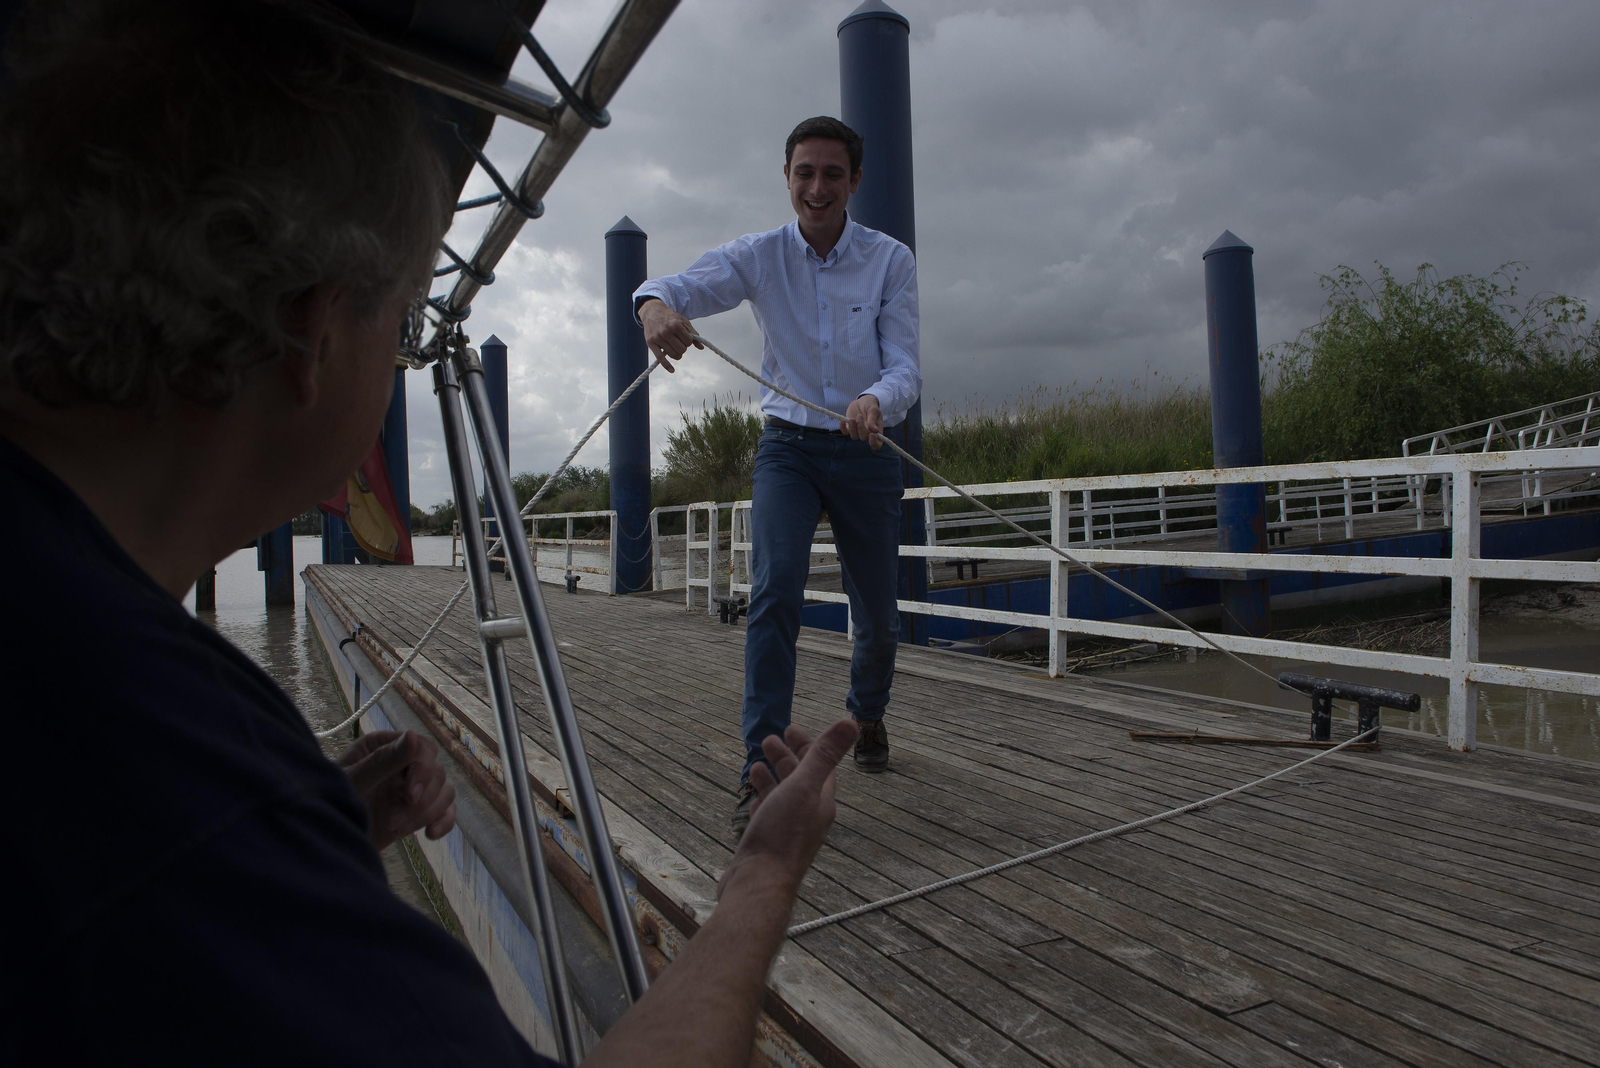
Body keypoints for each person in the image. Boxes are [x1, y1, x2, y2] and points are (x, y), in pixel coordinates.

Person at [0, 3, 854, 1065]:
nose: (406, 354)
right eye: (403, 322)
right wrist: (760, 884)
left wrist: (310, 825)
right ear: (313, 338)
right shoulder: (156, 765)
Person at [634, 116, 921, 835]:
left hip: (866, 450)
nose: (816, 188)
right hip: (787, 449)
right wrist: (654, 309)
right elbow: (673, 286)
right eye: (803, 173)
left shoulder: (891, 260)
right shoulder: (758, 256)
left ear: (855, 182)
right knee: (773, 595)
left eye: (831, 174)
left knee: (878, 616)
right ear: (787, 178)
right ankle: (761, 776)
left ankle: (868, 714)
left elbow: (905, 367)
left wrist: (874, 401)